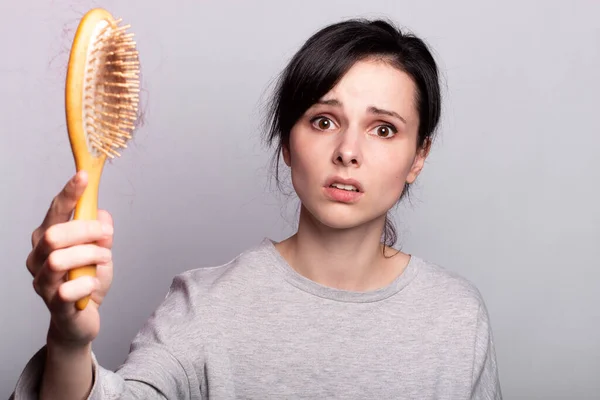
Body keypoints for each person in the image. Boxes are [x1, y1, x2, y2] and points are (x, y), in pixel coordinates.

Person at [11, 18, 502, 400]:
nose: (348, 150)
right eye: (324, 120)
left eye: (384, 129)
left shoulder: (456, 316)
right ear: (287, 144)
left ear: (419, 157)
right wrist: (69, 342)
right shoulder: (205, 305)